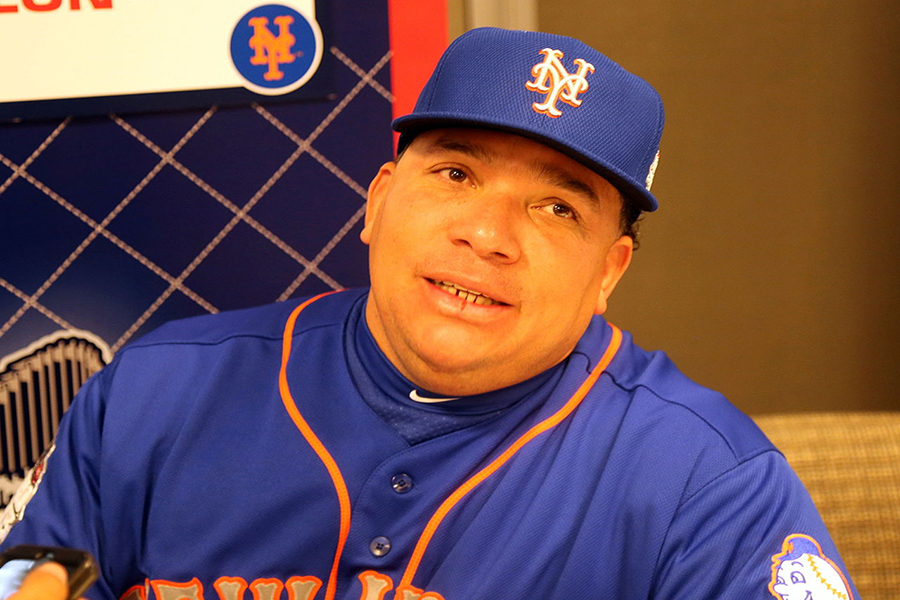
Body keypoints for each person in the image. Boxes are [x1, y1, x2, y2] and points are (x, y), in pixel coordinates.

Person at [0, 27, 857, 600]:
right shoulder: (154, 394)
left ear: (610, 270)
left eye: (558, 209)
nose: (487, 235)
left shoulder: (708, 485)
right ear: (378, 201)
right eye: (455, 175)